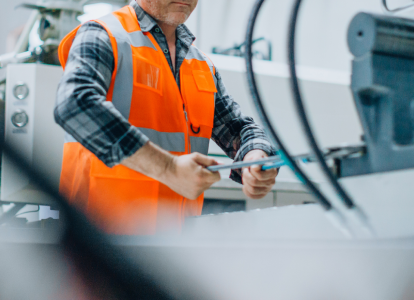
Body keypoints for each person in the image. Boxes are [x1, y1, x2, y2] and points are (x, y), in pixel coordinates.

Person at [55, 0, 278, 235]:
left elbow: (239, 129)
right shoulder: (104, 34)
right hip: (100, 240)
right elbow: (75, 103)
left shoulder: (202, 65)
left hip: (174, 244)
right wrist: (167, 168)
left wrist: (256, 157)